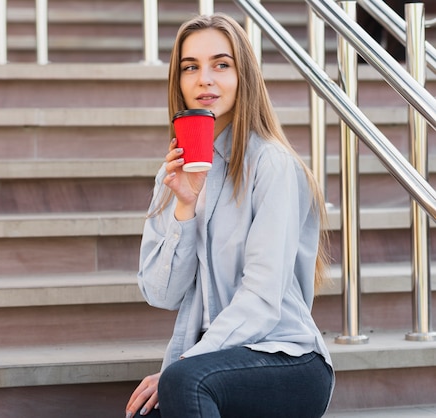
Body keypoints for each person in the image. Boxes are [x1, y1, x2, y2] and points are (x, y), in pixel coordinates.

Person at [125, 13, 334, 418]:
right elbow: (160, 293)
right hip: (212, 362)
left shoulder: (271, 165)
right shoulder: (173, 173)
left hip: (286, 357)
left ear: (244, 77)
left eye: (221, 64)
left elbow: (260, 299)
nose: (205, 79)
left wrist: (180, 367)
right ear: (179, 83)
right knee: (143, 412)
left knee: (182, 383)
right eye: (191, 67)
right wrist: (184, 209)